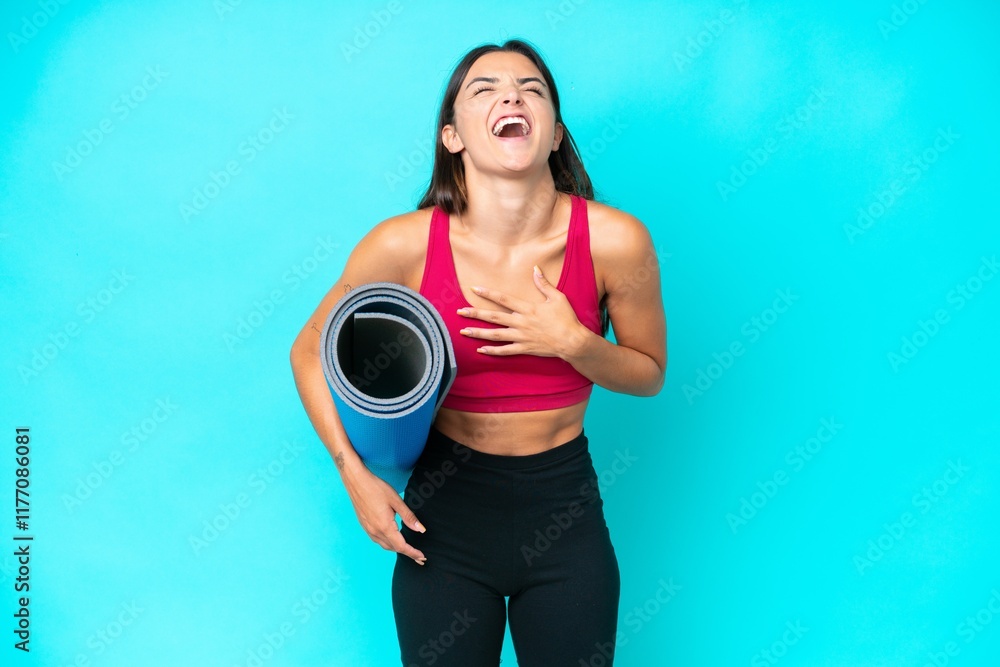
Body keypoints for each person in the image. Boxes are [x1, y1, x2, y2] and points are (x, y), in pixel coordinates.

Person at [289, 38, 666, 667]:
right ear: (453, 136)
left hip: (565, 510)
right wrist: (353, 476)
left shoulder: (616, 241)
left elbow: (649, 373)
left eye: (532, 89)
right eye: (483, 89)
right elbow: (309, 351)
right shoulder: (402, 245)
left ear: (554, 135)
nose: (511, 95)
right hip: (445, 518)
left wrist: (572, 342)